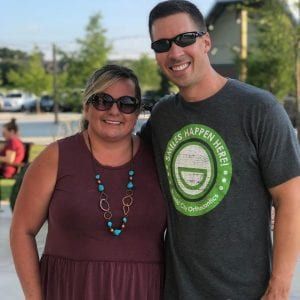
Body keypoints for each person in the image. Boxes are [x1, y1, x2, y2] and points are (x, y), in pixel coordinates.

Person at [140, 1, 300, 299]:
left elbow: (290, 198)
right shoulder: (162, 117)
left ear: (206, 42)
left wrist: (279, 286)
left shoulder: (259, 109)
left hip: (247, 291)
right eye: (162, 44)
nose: (175, 52)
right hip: (178, 291)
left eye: (185, 39)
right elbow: (125, 162)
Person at [10, 65, 166, 300]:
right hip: (69, 290)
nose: (114, 111)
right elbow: (22, 231)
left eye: (126, 103)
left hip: (144, 291)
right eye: (103, 100)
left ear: (136, 112)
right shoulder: (55, 157)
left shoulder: (159, 158)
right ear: (86, 106)